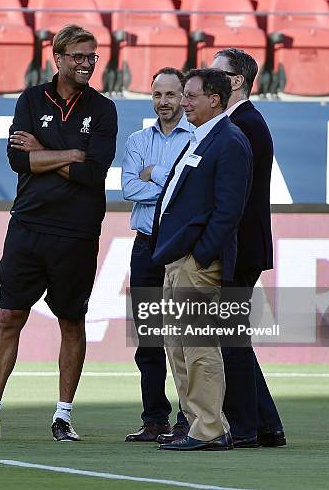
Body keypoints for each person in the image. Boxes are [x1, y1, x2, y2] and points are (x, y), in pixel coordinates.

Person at [0, 24, 117, 442]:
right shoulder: (30, 99)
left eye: (92, 57)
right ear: (57, 57)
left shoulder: (103, 109)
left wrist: (43, 151)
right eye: (79, 57)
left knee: (71, 320)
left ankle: (63, 416)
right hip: (27, 225)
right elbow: (17, 162)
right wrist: (68, 155)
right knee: (10, 316)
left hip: (78, 232)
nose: (86, 64)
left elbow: (92, 171)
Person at [151, 69, 253, 451]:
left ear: (214, 99)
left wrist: (201, 254)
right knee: (177, 346)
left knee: (198, 346)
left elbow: (229, 210)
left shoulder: (228, 140)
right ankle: (197, 424)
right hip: (178, 258)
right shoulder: (203, 138)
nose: (183, 103)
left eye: (191, 96)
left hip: (196, 262)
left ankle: (209, 428)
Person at [211, 48, 286, 448]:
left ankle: (244, 428)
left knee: (229, 339)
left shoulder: (245, 124)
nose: (206, 76)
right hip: (243, 246)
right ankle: (267, 425)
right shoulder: (244, 121)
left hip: (239, 248)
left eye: (216, 71)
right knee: (233, 337)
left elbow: (234, 195)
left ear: (235, 81)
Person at [121, 68, 193, 442]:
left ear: (184, 96)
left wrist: (156, 174)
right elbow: (129, 189)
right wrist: (169, 181)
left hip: (181, 246)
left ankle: (188, 419)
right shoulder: (136, 139)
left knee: (184, 336)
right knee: (148, 338)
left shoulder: (198, 137)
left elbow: (189, 189)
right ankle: (154, 419)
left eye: (170, 94)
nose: (163, 102)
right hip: (146, 243)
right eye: (157, 95)